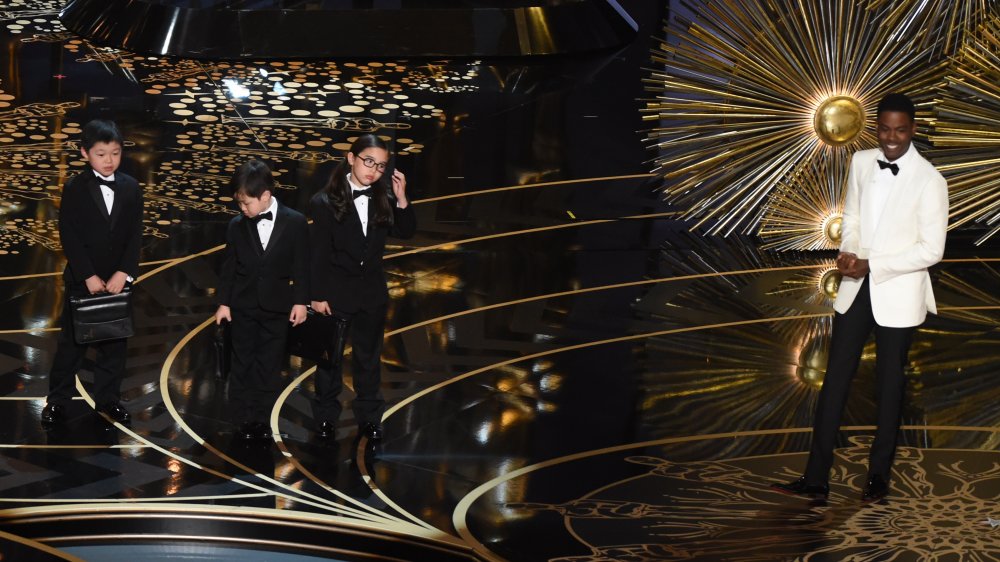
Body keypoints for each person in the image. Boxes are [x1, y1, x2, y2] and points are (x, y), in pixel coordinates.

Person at [773, 93, 949, 502]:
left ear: (913, 129)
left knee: (890, 387)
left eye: (900, 130)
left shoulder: (930, 180)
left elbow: (931, 251)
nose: (891, 138)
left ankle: (877, 477)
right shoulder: (861, 162)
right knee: (834, 383)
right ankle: (816, 478)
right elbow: (851, 216)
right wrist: (850, 252)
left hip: (899, 294)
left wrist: (873, 264)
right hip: (855, 291)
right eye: (885, 129)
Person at [308, 134, 416, 441]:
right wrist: (316, 296)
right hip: (334, 295)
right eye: (369, 161)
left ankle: (369, 418)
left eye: (381, 166)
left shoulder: (384, 196)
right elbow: (317, 254)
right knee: (329, 361)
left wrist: (402, 196)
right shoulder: (323, 201)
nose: (373, 170)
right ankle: (325, 417)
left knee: (369, 361)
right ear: (351, 158)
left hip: (371, 295)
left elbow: (406, 231)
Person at [42, 119, 143, 427]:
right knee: (72, 345)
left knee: (114, 345)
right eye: (101, 154)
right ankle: (58, 400)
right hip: (82, 281)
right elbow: (68, 234)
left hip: (116, 282)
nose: (109, 160)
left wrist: (123, 273)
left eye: (115, 153)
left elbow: (135, 235)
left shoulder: (131, 187)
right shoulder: (75, 187)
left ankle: (108, 400)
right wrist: (87, 275)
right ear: (85, 153)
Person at [215, 159, 310, 441]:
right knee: (242, 361)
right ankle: (241, 416)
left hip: (278, 307)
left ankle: (261, 416)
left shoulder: (295, 222)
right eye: (239, 203)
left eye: (246, 203)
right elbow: (229, 267)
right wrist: (224, 302)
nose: (242, 209)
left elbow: (302, 266)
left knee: (269, 364)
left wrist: (300, 301)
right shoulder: (236, 225)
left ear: (265, 196)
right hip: (243, 306)